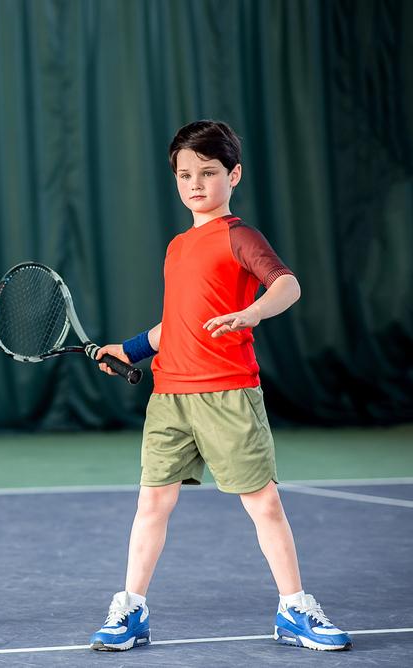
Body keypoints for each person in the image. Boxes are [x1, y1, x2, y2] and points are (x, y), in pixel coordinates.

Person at [87, 120, 351, 652]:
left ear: (234, 174)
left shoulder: (239, 235)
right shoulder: (178, 247)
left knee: (265, 505)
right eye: (185, 174)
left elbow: (288, 285)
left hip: (229, 394)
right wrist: (132, 348)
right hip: (168, 399)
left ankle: (294, 609)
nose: (195, 184)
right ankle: (131, 610)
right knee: (151, 506)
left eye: (208, 173)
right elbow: (175, 323)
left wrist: (250, 313)